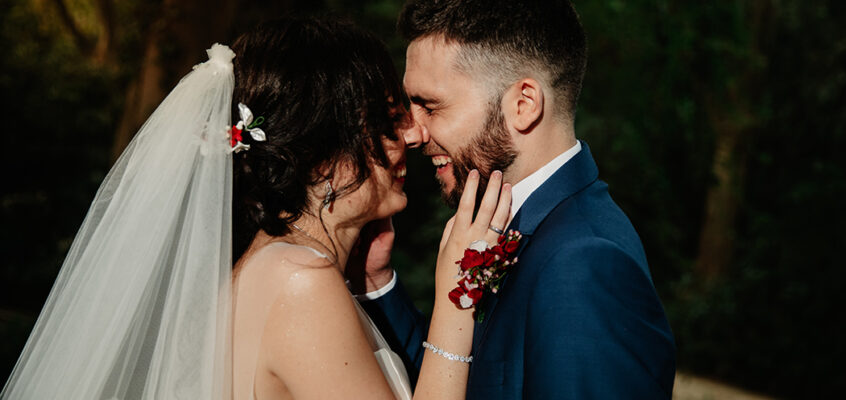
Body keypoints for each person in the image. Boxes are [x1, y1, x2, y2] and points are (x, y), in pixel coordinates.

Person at [1, 17, 510, 400]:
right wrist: (457, 296)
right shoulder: (300, 282)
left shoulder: (272, 267)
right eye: (386, 120)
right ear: (320, 154)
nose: (415, 134)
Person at [360, 1, 678, 398]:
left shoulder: (583, 265)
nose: (412, 133)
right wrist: (379, 281)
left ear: (523, 105)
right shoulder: (519, 223)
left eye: (430, 106)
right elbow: (460, 376)